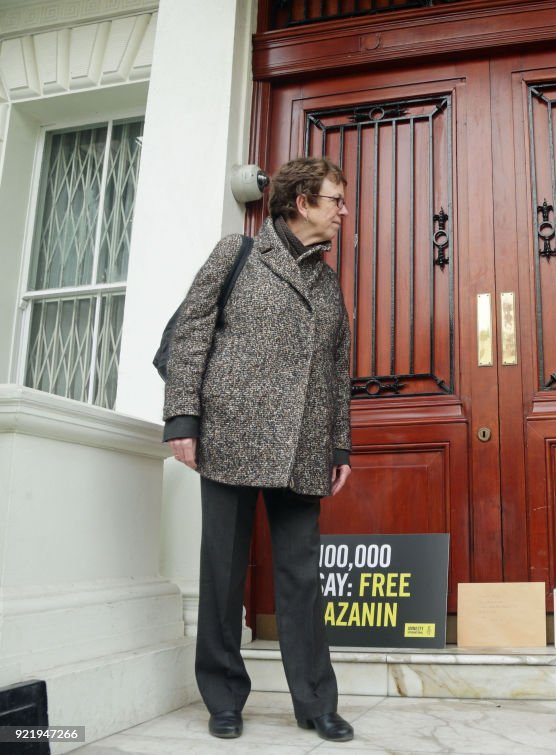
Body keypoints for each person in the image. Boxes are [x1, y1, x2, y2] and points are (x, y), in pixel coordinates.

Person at [163, 157, 354, 742]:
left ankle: (316, 701)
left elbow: (337, 368)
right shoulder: (236, 253)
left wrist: (338, 443)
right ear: (301, 203)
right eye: (335, 200)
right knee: (222, 573)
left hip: (303, 445)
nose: (344, 211)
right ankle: (223, 697)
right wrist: (182, 419)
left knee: (301, 576)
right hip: (229, 433)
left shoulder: (326, 279)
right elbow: (192, 330)